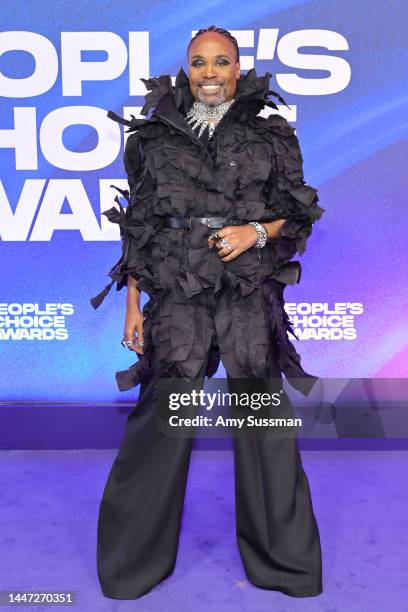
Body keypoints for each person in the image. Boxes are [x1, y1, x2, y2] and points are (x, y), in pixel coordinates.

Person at [91, 25, 325, 601]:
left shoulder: (273, 137)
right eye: (200, 63)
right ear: (187, 70)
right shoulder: (151, 139)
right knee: (160, 427)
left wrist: (256, 232)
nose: (211, 73)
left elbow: (299, 217)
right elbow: (138, 228)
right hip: (178, 297)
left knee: (263, 429)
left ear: (239, 69)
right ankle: (132, 568)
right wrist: (131, 304)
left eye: (222, 62)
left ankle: (284, 567)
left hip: (248, 295)